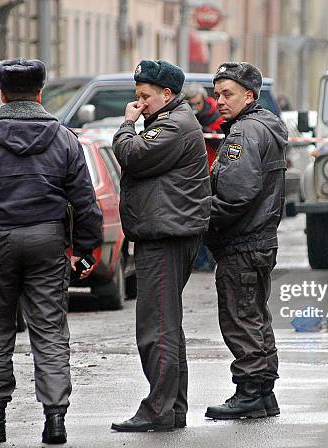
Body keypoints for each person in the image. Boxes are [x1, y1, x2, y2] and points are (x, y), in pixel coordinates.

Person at [0, 58, 102, 444]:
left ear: (2, 93)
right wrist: (84, 247)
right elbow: (84, 199)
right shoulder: (65, 138)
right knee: (49, 328)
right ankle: (55, 420)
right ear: (40, 92)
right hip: (47, 240)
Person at [111, 60, 211, 432]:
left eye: (145, 97)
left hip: (166, 237)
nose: (139, 104)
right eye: (136, 97)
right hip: (166, 232)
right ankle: (172, 408)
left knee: (157, 328)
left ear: (166, 95)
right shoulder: (170, 121)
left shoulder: (174, 124)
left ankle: (158, 409)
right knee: (167, 325)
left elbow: (132, 154)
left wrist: (126, 124)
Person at [204, 62, 288, 420]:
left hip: (244, 241)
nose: (219, 101)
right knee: (254, 315)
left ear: (249, 96)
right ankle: (262, 393)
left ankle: (251, 392)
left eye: (228, 94)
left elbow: (235, 194)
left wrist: (205, 222)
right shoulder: (262, 125)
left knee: (241, 317)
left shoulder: (245, 133)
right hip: (257, 240)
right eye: (217, 94)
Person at [183, 82, 224, 272]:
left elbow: (221, 141)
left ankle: (210, 259)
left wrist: (205, 131)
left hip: (211, 172)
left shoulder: (216, 113)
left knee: (210, 219)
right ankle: (199, 260)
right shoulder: (186, 115)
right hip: (193, 174)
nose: (195, 108)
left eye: (197, 104)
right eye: (191, 104)